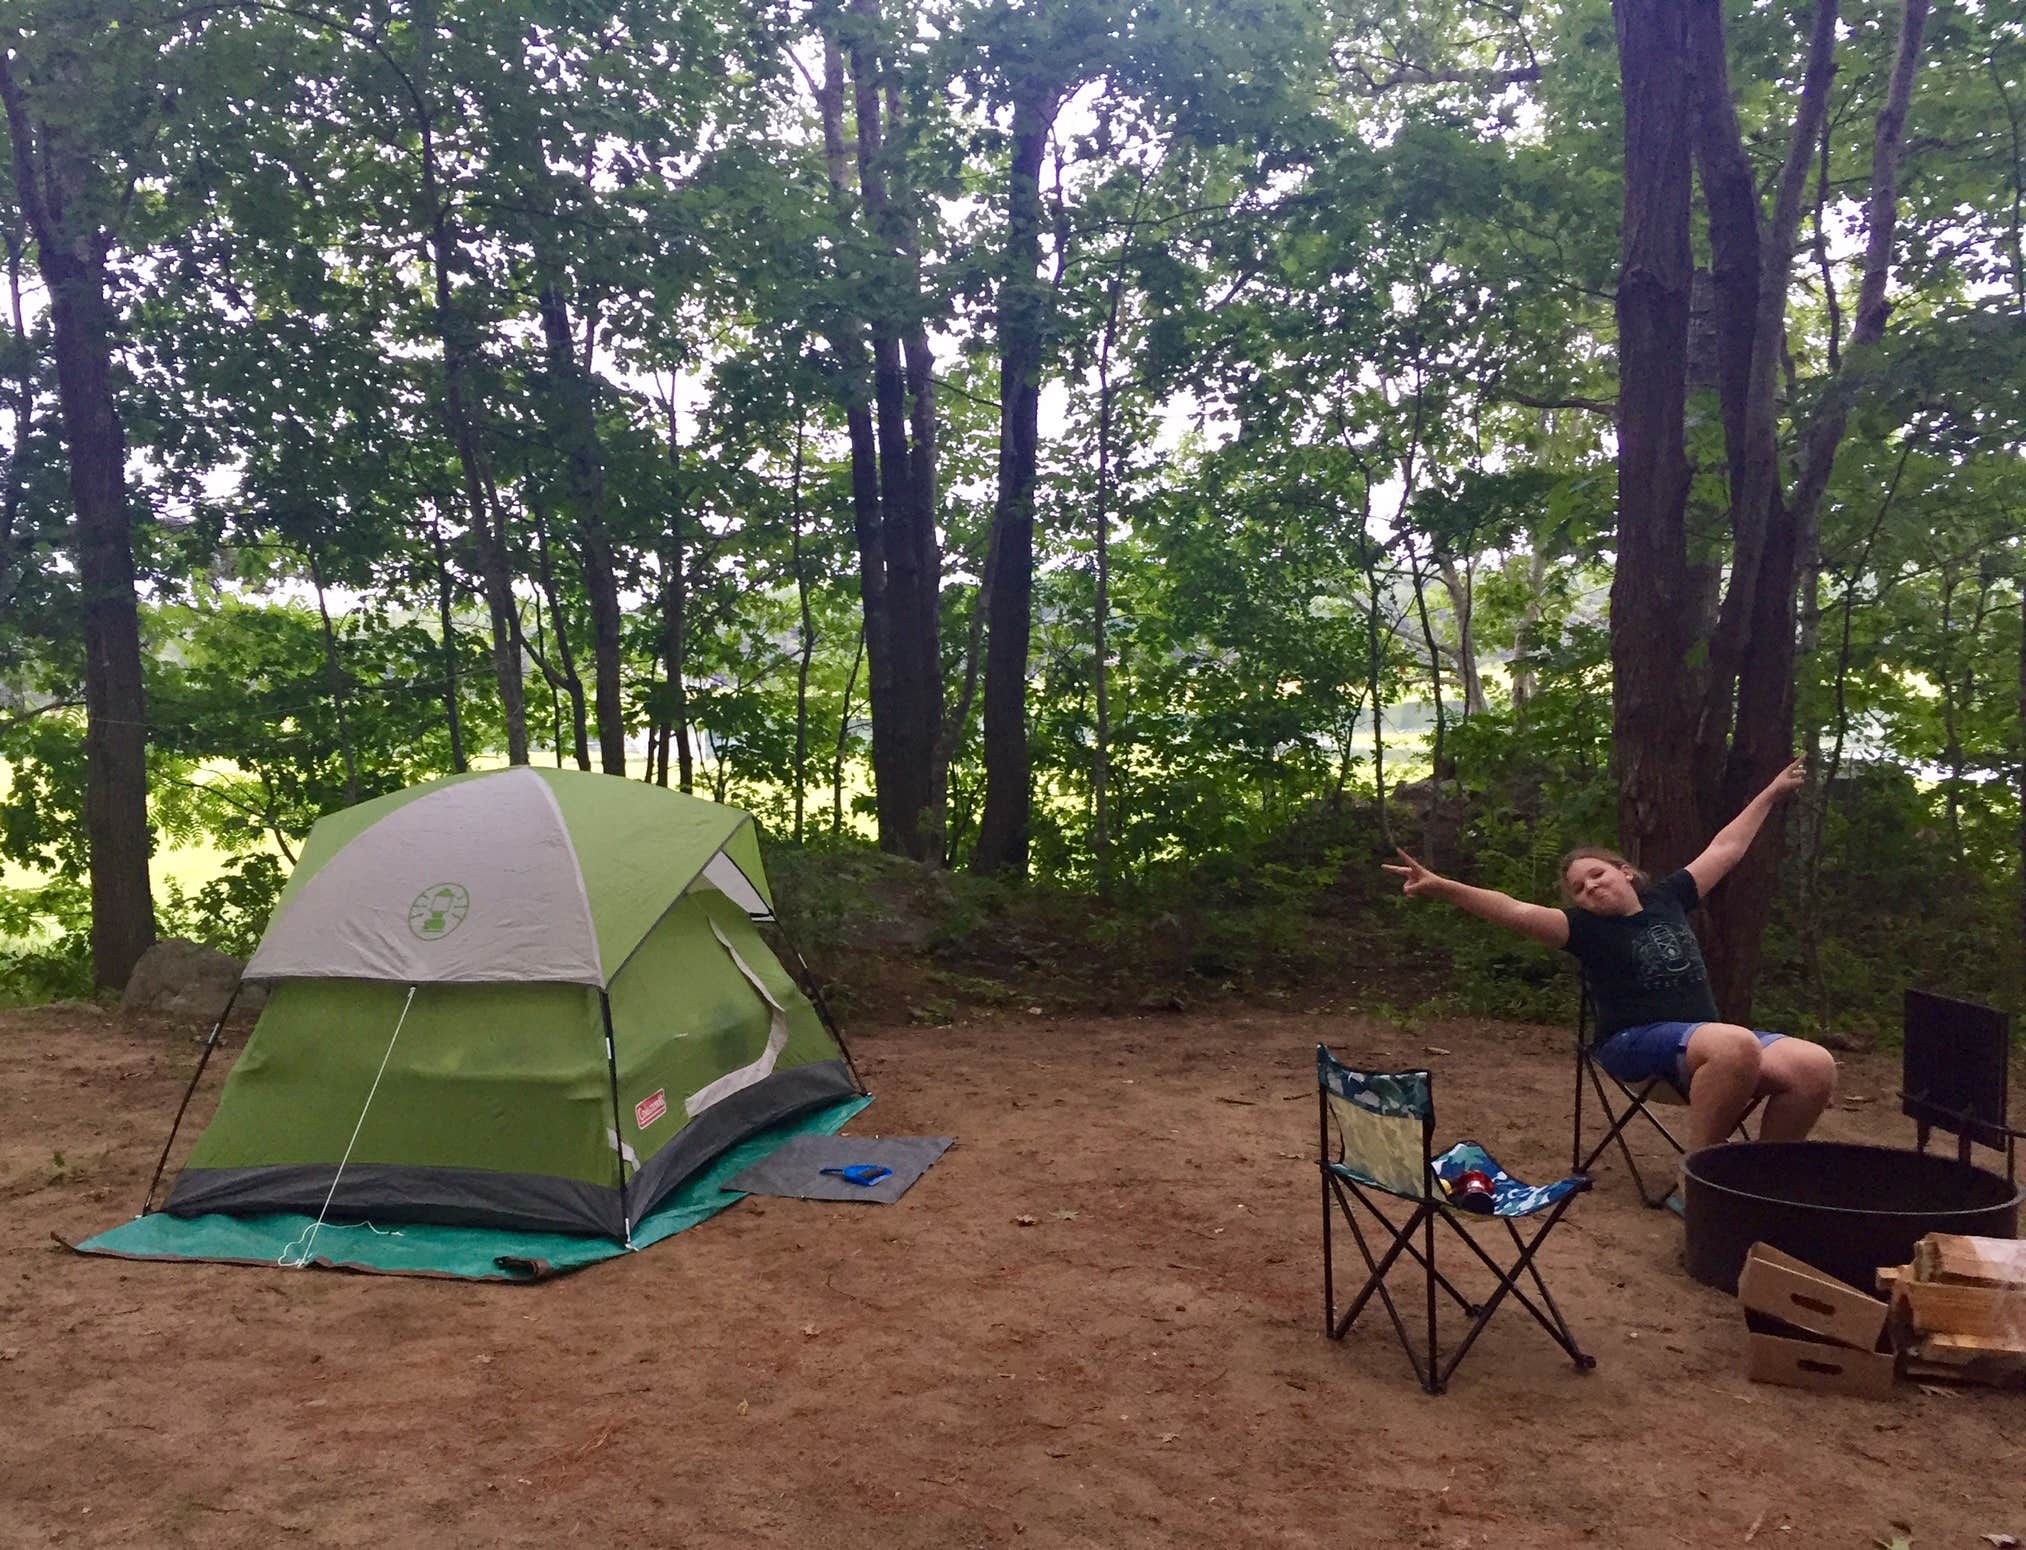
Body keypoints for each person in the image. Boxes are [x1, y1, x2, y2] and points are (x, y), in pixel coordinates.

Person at [1382, 758, 1836, 1208]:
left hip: (1708, 1046)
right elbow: (1513, 909)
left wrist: (1771, 793)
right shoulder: (1581, 928)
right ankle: (1702, 1181)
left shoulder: (1669, 896)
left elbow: (1726, 848)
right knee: (1735, 1044)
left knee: (1814, 1065)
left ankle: (1758, 1174)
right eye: (1579, 888)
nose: (1590, 888)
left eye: (1596, 874)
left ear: (1625, 872)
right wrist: (1441, 886)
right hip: (1633, 1045)